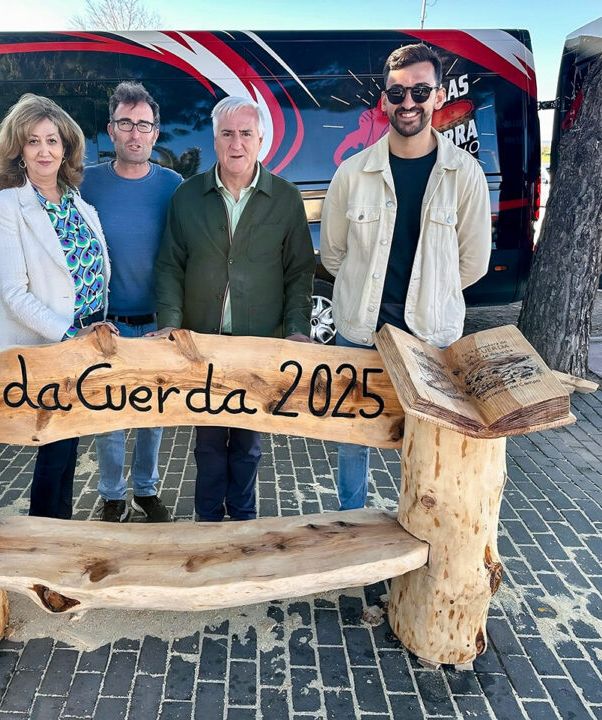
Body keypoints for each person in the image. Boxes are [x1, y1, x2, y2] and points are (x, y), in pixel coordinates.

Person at [320, 43, 491, 510]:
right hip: (359, 333)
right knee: (354, 440)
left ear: (438, 96)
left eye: (420, 90)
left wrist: (429, 296)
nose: (408, 102)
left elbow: (472, 263)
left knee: (423, 446)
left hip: (430, 339)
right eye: (397, 92)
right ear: (383, 100)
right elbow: (334, 255)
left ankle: (415, 531)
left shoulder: (465, 175)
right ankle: (353, 530)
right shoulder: (352, 174)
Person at [156, 95, 315, 522]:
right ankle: (208, 524)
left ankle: (243, 522)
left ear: (261, 139)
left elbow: (300, 272)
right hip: (203, 345)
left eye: (246, 133)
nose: (236, 143)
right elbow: (170, 265)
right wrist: (170, 325)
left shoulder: (284, 198)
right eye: (227, 133)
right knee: (207, 441)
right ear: (215, 140)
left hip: (257, 345)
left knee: (248, 442)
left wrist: (298, 328)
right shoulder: (187, 197)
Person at [0, 93, 113, 520]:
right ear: (18, 150)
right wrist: (70, 335)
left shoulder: (78, 203)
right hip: (48, 350)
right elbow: (13, 294)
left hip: (85, 343)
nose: (45, 151)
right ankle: (48, 535)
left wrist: (97, 327)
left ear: (66, 148)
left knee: (68, 448)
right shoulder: (6, 207)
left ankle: (59, 533)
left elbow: (94, 273)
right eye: (33, 141)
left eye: (53, 140)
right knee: (55, 452)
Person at [81, 82, 182, 523]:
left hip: (156, 323)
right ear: (111, 130)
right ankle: (112, 495)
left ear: (155, 133)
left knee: (152, 415)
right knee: (107, 418)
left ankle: (146, 489)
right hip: (106, 325)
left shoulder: (173, 186)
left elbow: (184, 252)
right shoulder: (87, 183)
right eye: (126, 123)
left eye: (143, 124)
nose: (135, 133)